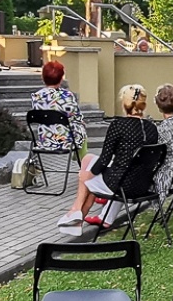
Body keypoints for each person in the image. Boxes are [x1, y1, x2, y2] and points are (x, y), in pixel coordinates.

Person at [57, 84, 159, 233]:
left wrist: (86, 175)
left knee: (86, 174)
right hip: (142, 185)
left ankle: (76, 211)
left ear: (124, 104)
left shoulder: (118, 125)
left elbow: (104, 160)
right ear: (144, 104)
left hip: (120, 185)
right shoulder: (152, 128)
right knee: (88, 160)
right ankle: (79, 218)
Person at [30, 61, 86, 152]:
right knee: (81, 126)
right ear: (61, 79)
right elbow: (77, 117)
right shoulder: (67, 95)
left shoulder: (36, 96)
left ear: (43, 77)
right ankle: (82, 160)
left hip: (45, 141)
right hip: (67, 142)